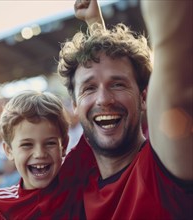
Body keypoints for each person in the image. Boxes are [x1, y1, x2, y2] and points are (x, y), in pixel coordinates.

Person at [56, 0, 193, 219]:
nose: (103, 99)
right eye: (89, 88)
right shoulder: (77, 172)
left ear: (144, 97)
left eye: (118, 84)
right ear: (74, 105)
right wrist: (95, 24)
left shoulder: (163, 169)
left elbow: (173, 55)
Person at [0, 90, 87, 219]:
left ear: (63, 146)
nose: (39, 153)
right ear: (9, 150)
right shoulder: (0, 206)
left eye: (50, 143)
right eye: (27, 145)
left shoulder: (79, 189)